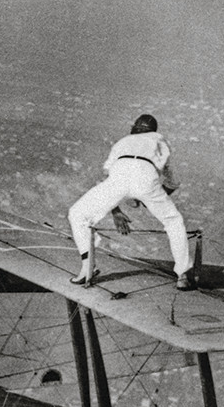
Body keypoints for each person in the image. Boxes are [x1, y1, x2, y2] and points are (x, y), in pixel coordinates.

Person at [68, 114, 194, 289]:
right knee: (173, 221)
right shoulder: (159, 141)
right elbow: (173, 181)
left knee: (77, 214)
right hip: (147, 177)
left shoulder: (123, 142)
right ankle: (183, 275)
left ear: (134, 128)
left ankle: (86, 269)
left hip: (119, 176)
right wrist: (153, 198)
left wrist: (116, 211)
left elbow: (107, 177)